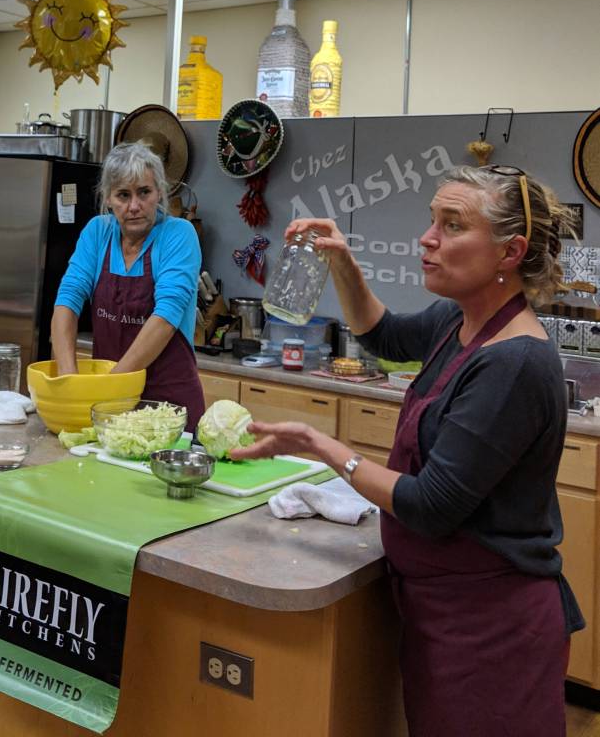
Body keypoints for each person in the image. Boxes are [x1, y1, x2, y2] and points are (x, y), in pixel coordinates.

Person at [231, 164, 583, 736]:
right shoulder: (461, 318)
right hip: (443, 611)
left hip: (492, 628)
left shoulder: (514, 362)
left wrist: (323, 447)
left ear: (509, 252)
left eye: (452, 224)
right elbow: (385, 337)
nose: (428, 237)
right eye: (431, 220)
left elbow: (430, 504)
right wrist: (342, 262)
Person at [52, 141, 205, 430]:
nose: (134, 206)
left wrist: (109, 388)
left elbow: (166, 317)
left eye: (144, 192)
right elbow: (67, 300)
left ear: (159, 192)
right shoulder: (98, 232)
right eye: (123, 195)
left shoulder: (178, 235)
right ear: (108, 198)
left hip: (168, 409)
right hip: (108, 410)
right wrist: (68, 380)